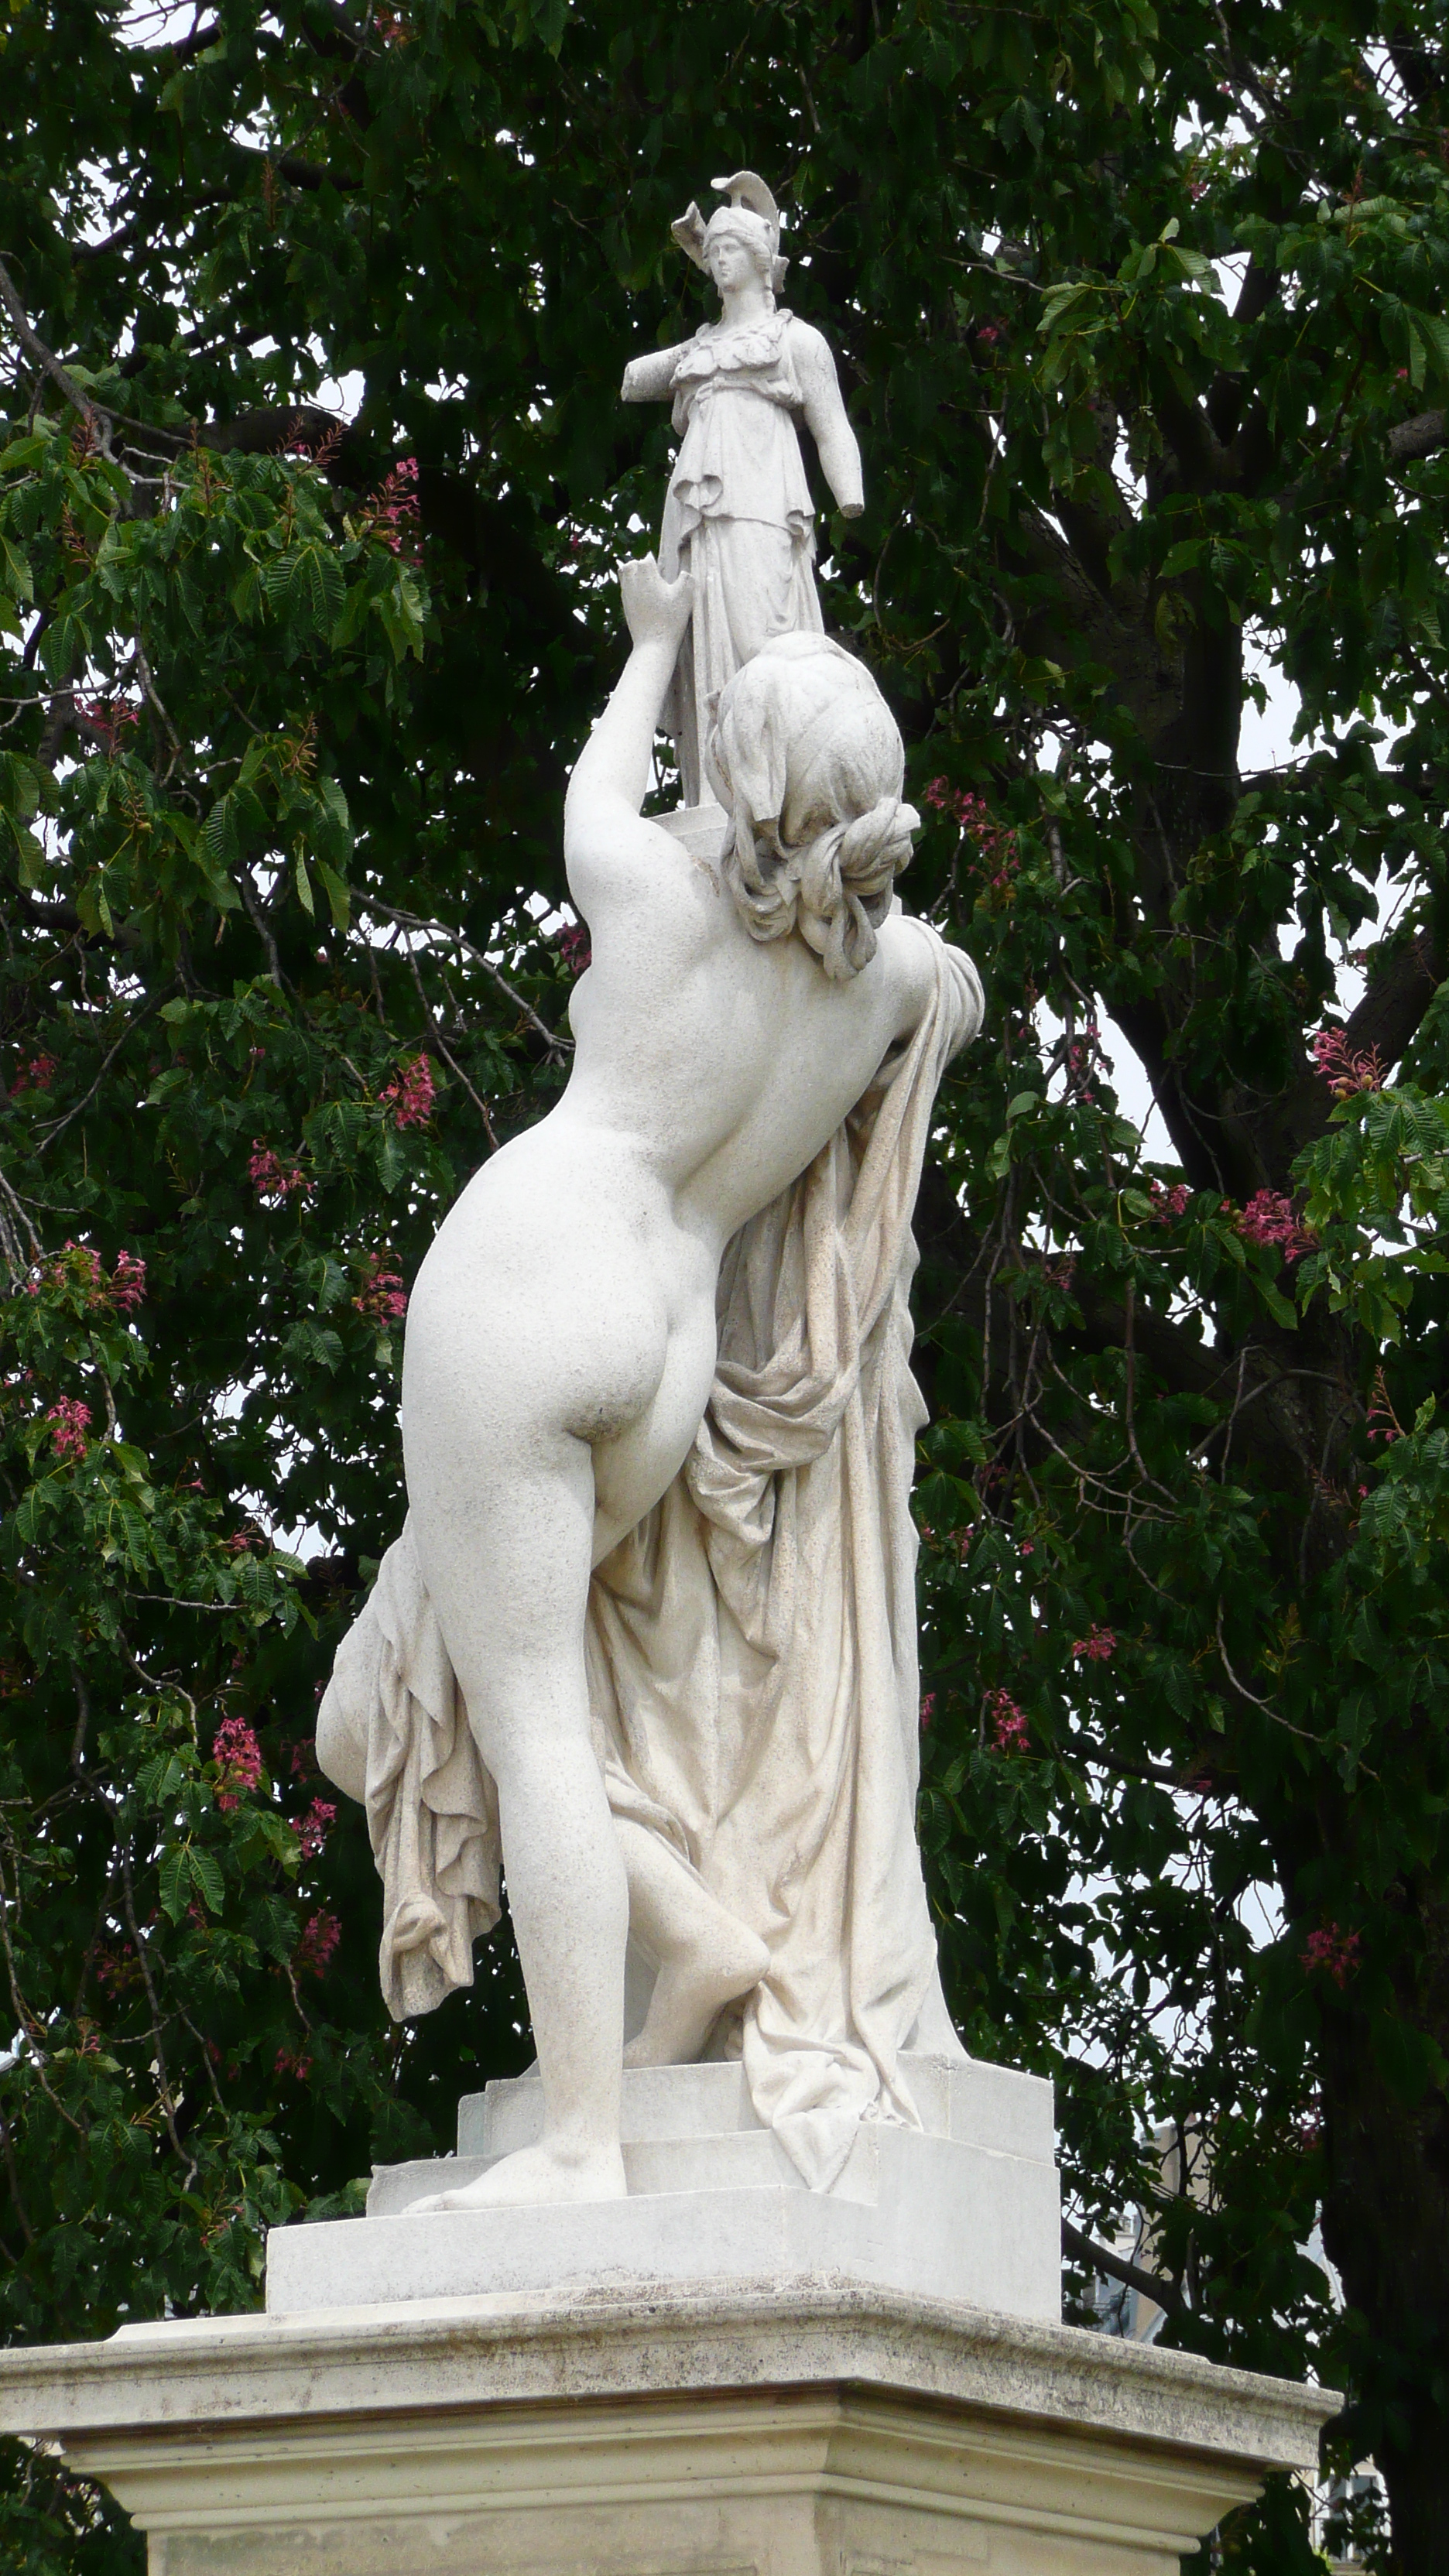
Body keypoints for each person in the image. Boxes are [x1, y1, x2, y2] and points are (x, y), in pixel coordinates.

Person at [319, 556, 978, 2208]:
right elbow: (932, 974)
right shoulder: (890, 984)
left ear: (741, 783)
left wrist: (656, 643)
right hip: (665, 1357)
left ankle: (583, 2143)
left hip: (529, 1298)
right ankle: (688, 1948)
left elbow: (601, 779)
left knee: (523, 1725)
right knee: (405, 1702)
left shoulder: (657, 894)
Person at [622, 172, 863, 804]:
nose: (719, 260)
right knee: (705, 639)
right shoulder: (703, 348)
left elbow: (832, 426)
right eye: (714, 252)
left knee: (764, 642)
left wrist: (848, 494)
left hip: (762, 502)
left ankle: (779, 786)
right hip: (697, 513)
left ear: (761, 262)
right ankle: (713, 792)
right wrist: (701, 245)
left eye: (732, 250)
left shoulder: (793, 340)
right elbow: (632, 379)